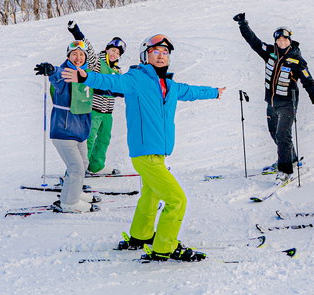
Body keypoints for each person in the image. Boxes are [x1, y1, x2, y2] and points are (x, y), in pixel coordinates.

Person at [64, 34, 223, 262]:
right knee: (177, 200)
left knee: (150, 195)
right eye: (155, 52)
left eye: (165, 53)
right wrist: (85, 76)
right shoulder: (136, 78)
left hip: (158, 154)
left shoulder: (170, 85)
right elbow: (111, 82)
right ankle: (165, 248)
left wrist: (215, 92)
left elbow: (192, 91)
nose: (160, 56)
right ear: (145, 55)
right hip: (144, 153)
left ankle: (140, 236)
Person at [232, 13, 314, 181]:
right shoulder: (270, 53)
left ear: (290, 40)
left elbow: (309, 82)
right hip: (271, 102)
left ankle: (285, 171)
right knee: (274, 132)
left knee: (283, 135)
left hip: (288, 103)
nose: (281, 42)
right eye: (279, 40)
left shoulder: (297, 60)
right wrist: (243, 24)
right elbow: (254, 42)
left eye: (285, 39)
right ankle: (291, 159)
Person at [34, 39, 98, 213]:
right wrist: (51, 70)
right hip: (64, 130)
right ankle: (70, 203)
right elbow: (57, 74)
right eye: (74, 54)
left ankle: (73, 192)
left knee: (82, 164)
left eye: (81, 54)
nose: (78, 58)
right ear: (68, 55)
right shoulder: (65, 74)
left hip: (81, 130)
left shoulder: (87, 75)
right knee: (76, 167)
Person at [66, 20, 125, 176]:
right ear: (106, 49)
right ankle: (78, 168)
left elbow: (124, 88)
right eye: (112, 50)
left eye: (117, 53)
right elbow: (89, 52)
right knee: (89, 140)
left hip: (108, 113)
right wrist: (77, 32)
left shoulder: (117, 71)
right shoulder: (97, 63)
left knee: (104, 140)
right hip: (94, 110)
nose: (114, 54)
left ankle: (96, 166)